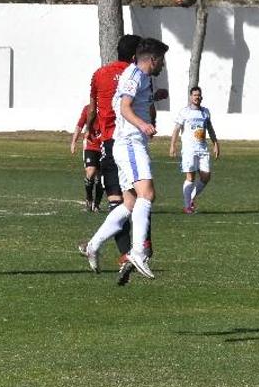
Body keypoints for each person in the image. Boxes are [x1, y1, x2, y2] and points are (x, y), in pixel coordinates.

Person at [80, 37, 169, 281]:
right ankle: (138, 252)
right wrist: (143, 124)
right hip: (129, 142)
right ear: (152, 59)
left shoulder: (139, 76)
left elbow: (129, 102)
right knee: (147, 194)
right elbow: (124, 106)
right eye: (162, 60)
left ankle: (93, 245)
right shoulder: (135, 75)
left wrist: (151, 103)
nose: (163, 65)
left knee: (129, 205)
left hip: (126, 142)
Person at [169, 86, 220, 214]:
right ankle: (187, 206)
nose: (197, 97)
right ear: (190, 97)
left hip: (202, 149)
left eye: (198, 95)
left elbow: (210, 129)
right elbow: (176, 129)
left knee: (206, 176)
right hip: (189, 149)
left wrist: (215, 144)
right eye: (194, 95)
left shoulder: (205, 112)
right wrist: (173, 145)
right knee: (190, 177)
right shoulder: (184, 112)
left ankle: (191, 198)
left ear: (201, 97)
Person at [71, 102, 104, 212]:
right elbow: (79, 126)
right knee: (90, 171)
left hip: (104, 146)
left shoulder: (109, 108)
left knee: (100, 178)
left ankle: (97, 204)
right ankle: (89, 199)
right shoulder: (88, 109)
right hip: (90, 146)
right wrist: (73, 142)